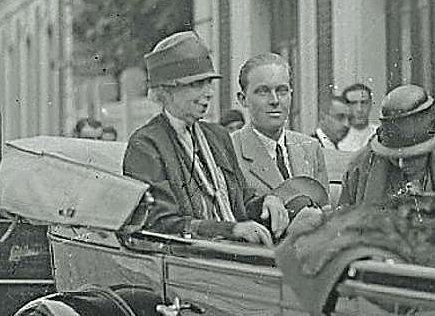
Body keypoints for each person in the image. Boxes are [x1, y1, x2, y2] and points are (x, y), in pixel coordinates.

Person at [122, 31, 287, 243]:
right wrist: (231, 230)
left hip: (236, 252)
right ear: (166, 91)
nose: (209, 92)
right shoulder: (146, 145)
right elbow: (160, 223)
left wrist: (266, 202)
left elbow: (242, 201)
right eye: (196, 84)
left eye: (209, 82)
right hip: (190, 259)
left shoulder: (218, 136)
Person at [340, 84, 435, 207]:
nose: (402, 164)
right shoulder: (360, 167)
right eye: (394, 156)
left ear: (431, 145)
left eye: (412, 156)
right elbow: (340, 224)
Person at [231, 53, 329, 199]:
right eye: (263, 92)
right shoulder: (231, 151)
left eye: (282, 90)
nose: (275, 100)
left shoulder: (310, 148)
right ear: (243, 99)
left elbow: (324, 207)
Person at [337, 82, 377, 152]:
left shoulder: (379, 135)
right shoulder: (335, 139)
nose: (359, 109)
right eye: (353, 103)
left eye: (364, 103)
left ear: (370, 104)